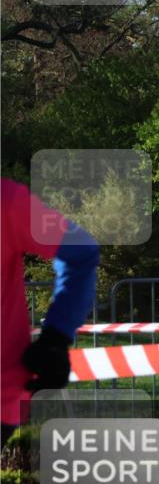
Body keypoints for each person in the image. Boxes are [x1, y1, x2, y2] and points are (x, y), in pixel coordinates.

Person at [1, 177, 100, 447]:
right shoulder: (6, 199)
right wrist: (57, 335)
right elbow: (82, 250)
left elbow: (81, 251)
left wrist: (56, 336)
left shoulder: (6, 201)